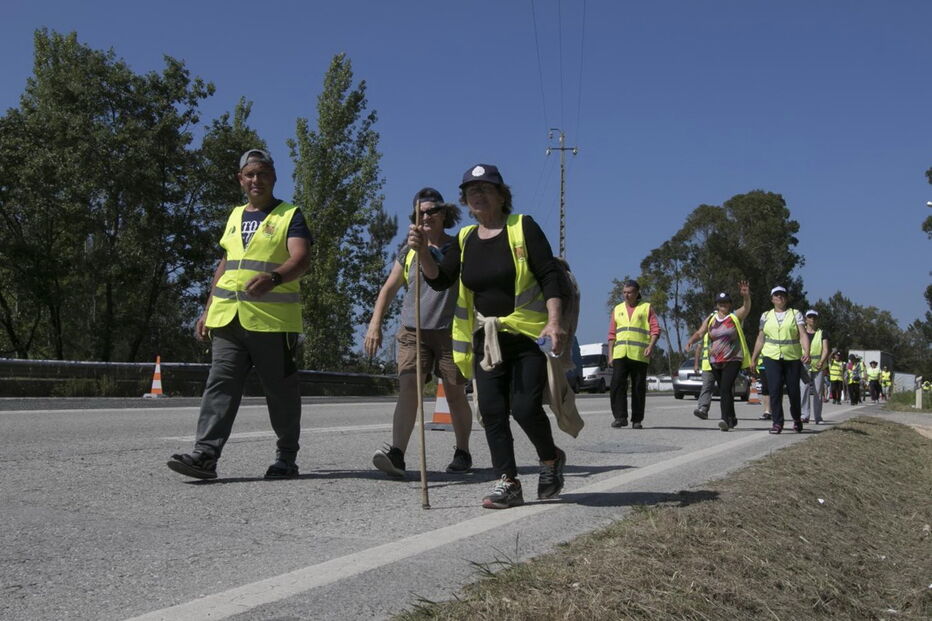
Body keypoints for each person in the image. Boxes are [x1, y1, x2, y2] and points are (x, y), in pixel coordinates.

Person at [412, 163, 570, 509]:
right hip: (486, 339)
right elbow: (440, 279)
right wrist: (423, 251)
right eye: (471, 191)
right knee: (492, 410)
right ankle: (508, 482)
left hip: (528, 336)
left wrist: (554, 321)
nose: (478, 195)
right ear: (465, 202)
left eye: (485, 189)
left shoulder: (522, 227)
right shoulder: (466, 239)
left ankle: (550, 458)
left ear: (501, 195)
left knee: (525, 408)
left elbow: (549, 275)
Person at [167, 149, 312, 480]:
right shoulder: (234, 216)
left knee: (280, 392)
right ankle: (205, 455)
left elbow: (301, 259)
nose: (256, 180)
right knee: (220, 385)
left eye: (263, 173)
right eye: (250, 174)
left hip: (272, 323)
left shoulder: (290, 215)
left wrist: (274, 278)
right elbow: (226, 265)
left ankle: (286, 457)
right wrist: (206, 310)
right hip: (227, 318)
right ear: (240, 179)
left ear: (273, 177)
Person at [364, 188, 473, 478]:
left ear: (444, 213)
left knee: (454, 394)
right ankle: (397, 454)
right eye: (419, 213)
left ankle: (462, 451)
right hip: (414, 330)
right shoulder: (408, 250)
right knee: (408, 388)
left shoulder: (458, 247)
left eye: (432, 211)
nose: (426, 216)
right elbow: (389, 287)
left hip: (449, 329)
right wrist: (375, 323)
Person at [684, 282, 752, 431]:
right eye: (720, 302)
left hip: (733, 359)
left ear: (730, 304)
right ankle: (732, 418)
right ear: (716, 305)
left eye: (726, 302)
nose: (723, 305)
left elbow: (746, 308)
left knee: (726, 388)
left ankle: (725, 419)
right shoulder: (711, 319)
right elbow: (700, 333)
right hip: (715, 360)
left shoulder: (734, 316)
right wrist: (691, 341)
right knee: (724, 390)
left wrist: (746, 296)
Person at [750, 286, 811, 434]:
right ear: (772, 299)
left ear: (787, 298)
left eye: (782, 295)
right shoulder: (766, 315)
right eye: (776, 295)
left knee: (793, 391)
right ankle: (777, 422)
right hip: (771, 357)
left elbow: (803, 334)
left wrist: (807, 351)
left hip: (792, 357)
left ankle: (797, 419)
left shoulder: (795, 314)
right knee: (774, 390)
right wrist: (754, 357)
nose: (780, 297)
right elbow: (761, 338)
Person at [607, 280, 661, 429]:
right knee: (617, 385)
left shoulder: (646, 308)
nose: (626, 295)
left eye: (629, 292)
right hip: (620, 354)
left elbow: (655, 330)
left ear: (637, 293)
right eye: (624, 292)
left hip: (639, 354)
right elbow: (611, 334)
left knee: (638, 388)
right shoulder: (617, 309)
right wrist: (610, 355)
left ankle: (637, 420)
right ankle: (620, 417)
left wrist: (651, 346)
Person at [800, 310, 830, 424]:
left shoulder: (822, 333)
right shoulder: (801, 332)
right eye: (810, 317)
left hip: (818, 365)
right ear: (806, 319)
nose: (812, 319)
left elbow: (825, 349)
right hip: (804, 364)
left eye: (814, 317)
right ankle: (804, 415)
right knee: (804, 389)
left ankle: (818, 417)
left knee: (818, 391)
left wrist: (822, 361)